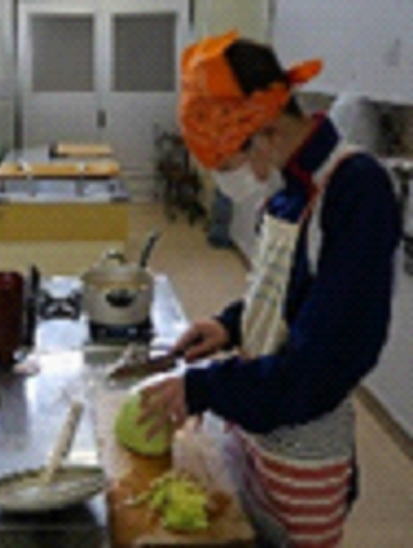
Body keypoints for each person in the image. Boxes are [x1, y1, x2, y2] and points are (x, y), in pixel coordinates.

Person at [138, 31, 400, 547]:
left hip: (303, 445)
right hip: (255, 424)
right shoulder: (287, 190)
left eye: (229, 166)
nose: (232, 182)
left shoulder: (356, 191)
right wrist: (230, 325)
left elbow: (320, 366)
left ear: (265, 131)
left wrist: (204, 388)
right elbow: (286, 298)